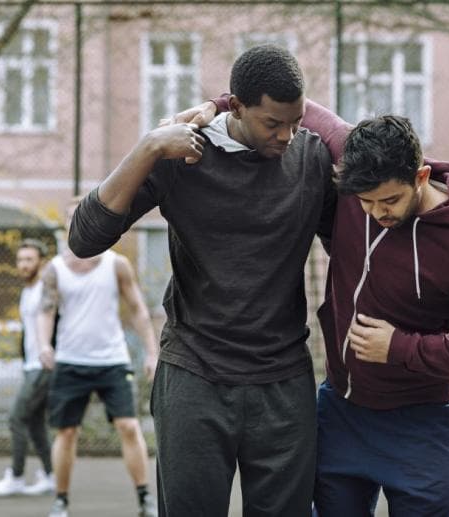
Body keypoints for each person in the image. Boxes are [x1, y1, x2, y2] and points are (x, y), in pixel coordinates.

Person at [176, 103, 449, 515]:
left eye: (389, 200)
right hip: (341, 411)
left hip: (421, 423)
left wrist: (401, 348)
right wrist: (216, 105)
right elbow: (286, 101)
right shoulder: (351, 158)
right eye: (366, 203)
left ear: (421, 176)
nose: (378, 213)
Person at [68, 44, 336, 516]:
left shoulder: (310, 160)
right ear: (237, 106)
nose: (286, 136)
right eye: (272, 125)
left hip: (283, 380)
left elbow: (361, 241)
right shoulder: (182, 154)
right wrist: (149, 146)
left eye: (295, 123)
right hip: (195, 374)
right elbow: (85, 238)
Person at [38, 200, 159, 517]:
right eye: (70, 218)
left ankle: (145, 498)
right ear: (66, 225)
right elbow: (45, 312)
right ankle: (60, 501)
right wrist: (43, 345)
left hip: (112, 361)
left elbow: (137, 309)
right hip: (70, 361)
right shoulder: (55, 269)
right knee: (66, 433)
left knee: (130, 427)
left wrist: (151, 351)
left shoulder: (116, 264)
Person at [0, 238, 56, 497]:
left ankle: (15, 476)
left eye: (29, 259)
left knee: (16, 418)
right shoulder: (27, 291)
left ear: (41, 262)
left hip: (43, 366)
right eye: (20, 260)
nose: (23, 265)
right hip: (30, 365)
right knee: (35, 422)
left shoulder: (46, 290)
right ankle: (51, 475)